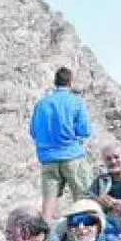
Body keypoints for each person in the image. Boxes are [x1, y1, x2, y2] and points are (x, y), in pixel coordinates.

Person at [30, 66, 93, 221]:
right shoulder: (76, 102)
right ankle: (84, 230)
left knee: (49, 201)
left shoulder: (41, 104)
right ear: (70, 82)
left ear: (55, 82)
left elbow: (33, 131)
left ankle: (44, 232)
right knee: (83, 197)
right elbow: (85, 130)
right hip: (72, 156)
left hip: (48, 159)